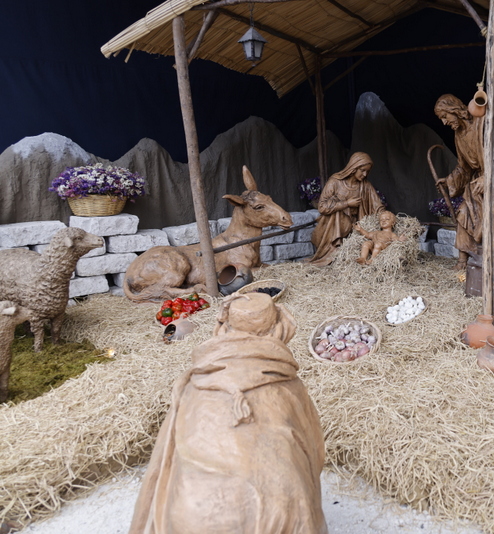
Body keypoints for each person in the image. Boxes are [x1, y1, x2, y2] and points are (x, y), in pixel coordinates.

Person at [129, 293, 328, 534]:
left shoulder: (192, 385)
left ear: (223, 328)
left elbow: (165, 460)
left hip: (191, 515)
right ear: (279, 330)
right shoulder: (288, 386)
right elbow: (313, 453)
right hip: (278, 514)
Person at [433, 94, 494, 270]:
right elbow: (464, 167)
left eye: (445, 117)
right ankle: (464, 260)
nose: (445, 123)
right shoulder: (459, 135)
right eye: (441, 119)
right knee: (464, 211)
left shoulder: (485, 121)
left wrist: (490, 177)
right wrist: (450, 180)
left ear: (454, 110)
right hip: (478, 182)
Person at [308, 152, 385, 266]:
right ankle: (335, 249)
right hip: (335, 226)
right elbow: (322, 207)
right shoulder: (335, 182)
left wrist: (386, 217)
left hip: (356, 226)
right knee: (337, 212)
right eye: (362, 170)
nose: (365, 174)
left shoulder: (365, 186)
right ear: (354, 168)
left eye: (367, 171)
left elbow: (377, 206)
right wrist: (346, 204)